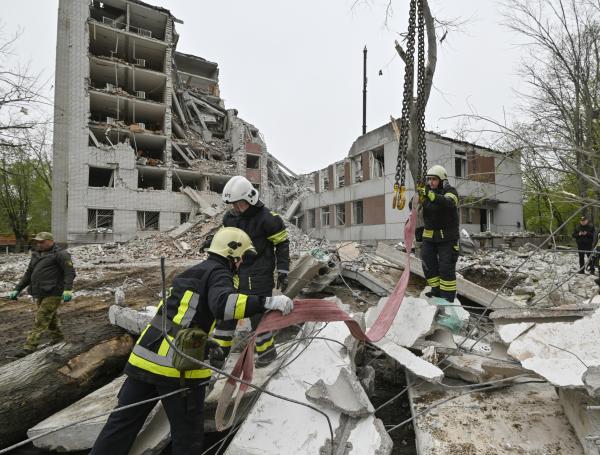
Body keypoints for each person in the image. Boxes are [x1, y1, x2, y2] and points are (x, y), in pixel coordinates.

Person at [90, 227, 293, 455]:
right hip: (177, 367)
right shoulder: (219, 273)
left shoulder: (192, 272)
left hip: (143, 359)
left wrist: (207, 344)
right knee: (187, 438)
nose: (242, 262)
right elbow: (224, 305)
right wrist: (267, 302)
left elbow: (178, 317)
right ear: (233, 255)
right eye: (242, 257)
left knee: (121, 425)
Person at [212, 176, 290, 367]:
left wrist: (282, 270)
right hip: (237, 273)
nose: (237, 209)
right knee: (227, 312)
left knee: (258, 317)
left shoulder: (268, 219)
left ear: (250, 199)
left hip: (259, 274)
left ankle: (267, 354)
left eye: (240, 204)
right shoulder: (230, 218)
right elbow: (225, 238)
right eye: (233, 205)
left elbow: (282, 244)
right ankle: (218, 355)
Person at [9, 232, 76, 356]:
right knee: (50, 318)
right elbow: (28, 273)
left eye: (42, 241)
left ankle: (29, 347)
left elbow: (69, 272)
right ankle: (58, 339)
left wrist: (67, 289)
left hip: (54, 291)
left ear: (50, 241)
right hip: (40, 291)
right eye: (37, 242)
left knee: (41, 317)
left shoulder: (61, 254)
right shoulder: (36, 254)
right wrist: (17, 289)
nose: (39, 244)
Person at [417, 165, 460, 302]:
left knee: (446, 268)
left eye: (434, 179)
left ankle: (447, 299)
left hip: (447, 238)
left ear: (442, 180)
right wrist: (419, 198)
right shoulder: (427, 191)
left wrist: (429, 195)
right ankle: (436, 291)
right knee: (428, 265)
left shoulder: (450, 191)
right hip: (429, 237)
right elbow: (415, 207)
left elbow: (448, 203)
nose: (431, 182)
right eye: (429, 179)